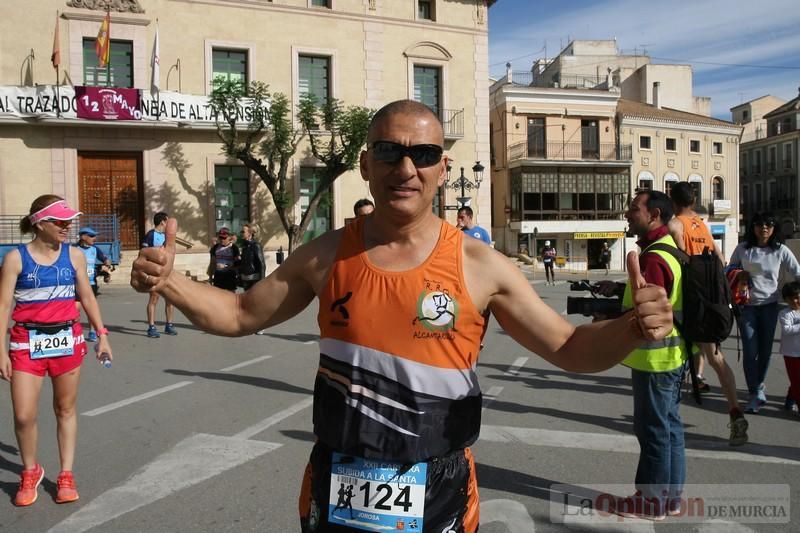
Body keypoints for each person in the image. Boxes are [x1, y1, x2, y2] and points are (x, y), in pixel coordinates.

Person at [130, 99, 672, 532]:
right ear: (366, 165)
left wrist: (630, 326)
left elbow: (568, 348)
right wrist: (169, 281)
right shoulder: (325, 256)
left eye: (424, 154)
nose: (405, 168)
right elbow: (241, 313)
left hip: (439, 487)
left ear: (443, 167)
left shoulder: (482, 266)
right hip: (336, 477)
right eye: (388, 151)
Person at [0, 195, 113, 506]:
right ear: (39, 223)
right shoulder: (15, 259)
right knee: (24, 415)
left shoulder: (75, 256)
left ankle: (65, 474)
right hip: (25, 343)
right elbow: (3, 306)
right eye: (59, 221)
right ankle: (30, 470)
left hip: (67, 340)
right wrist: (0, 350)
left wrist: (101, 335)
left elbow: (88, 298)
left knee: (65, 409)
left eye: (68, 221)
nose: (66, 227)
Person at [598, 190, 689, 521]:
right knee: (670, 429)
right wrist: (616, 288)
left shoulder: (652, 258)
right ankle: (672, 497)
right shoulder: (670, 252)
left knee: (653, 431)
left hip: (655, 360)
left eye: (634, 209)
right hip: (675, 355)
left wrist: (605, 323)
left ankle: (651, 501)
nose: (627, 213)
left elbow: (645, 313)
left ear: (654, 216)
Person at [668, 181, 748, 446]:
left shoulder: (676, 224)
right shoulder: (701, 224)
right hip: (713, 299)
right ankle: (735, 413)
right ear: (693, 200)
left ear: (673, 199)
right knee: (715, 357)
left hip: (691, 301)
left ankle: (668, 422)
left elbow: (681, 260)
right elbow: (721, 258)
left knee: (676, 358)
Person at [730, 212, 800, 413]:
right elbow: (730, 270)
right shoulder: (743, 249)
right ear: (753, 228)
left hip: (770, 306)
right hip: (746, 306)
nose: (764, 228)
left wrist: (793, 294)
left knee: (766, 351)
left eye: (769, 225)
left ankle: (759, 384)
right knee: (750, 352)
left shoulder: (780, 250)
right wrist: (739, 275)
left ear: (774, 228)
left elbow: (797, 271)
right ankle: (755, 393)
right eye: (760, 224)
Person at [142, 212, 177, 338]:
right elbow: (144, 253)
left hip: (168, 272)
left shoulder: (167, 236)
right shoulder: (150, 235)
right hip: (155, 272)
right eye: (167, 221)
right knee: (154, 299)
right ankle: (151, 327)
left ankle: (169, 324)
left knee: (170, 300)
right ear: (163, 222)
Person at [73, 227, 112, 343]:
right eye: (91, 236)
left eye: (95, 236)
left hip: (91, 283)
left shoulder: (95, 249)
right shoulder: (74, 249)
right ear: (83, 237)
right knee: (75, 309)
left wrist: (107, 266)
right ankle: (75, 332)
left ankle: (91, 331)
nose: (94, 238)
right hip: (76, 284)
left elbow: (106, 260)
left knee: (90, 309)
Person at [778, 281, 800, 417]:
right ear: (786, 300)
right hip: (791, 353)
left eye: (798, 297)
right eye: (792, 299)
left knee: (797, 380)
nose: (796, 301)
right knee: (797, 380)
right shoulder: (785, 313)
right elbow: (787, 330)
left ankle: (790, 398)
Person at [208, 228, 240, 292]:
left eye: (224, 238)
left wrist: (226, 266)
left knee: (230, 298)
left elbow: (237, 264)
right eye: (220, 238)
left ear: (229, 237)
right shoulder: (215, 247)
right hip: (218, 277)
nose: (222, 240)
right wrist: (210, 278)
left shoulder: (234, 248)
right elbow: (212, 263)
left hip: (230, 276)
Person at [238, 224, 266, 291]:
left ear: (250, 233)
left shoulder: (256, 245)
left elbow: (261, 264)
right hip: (245, 279)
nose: (241, 233)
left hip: (254, 280)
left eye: (243, 231)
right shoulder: (244, 246)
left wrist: (262, 282)